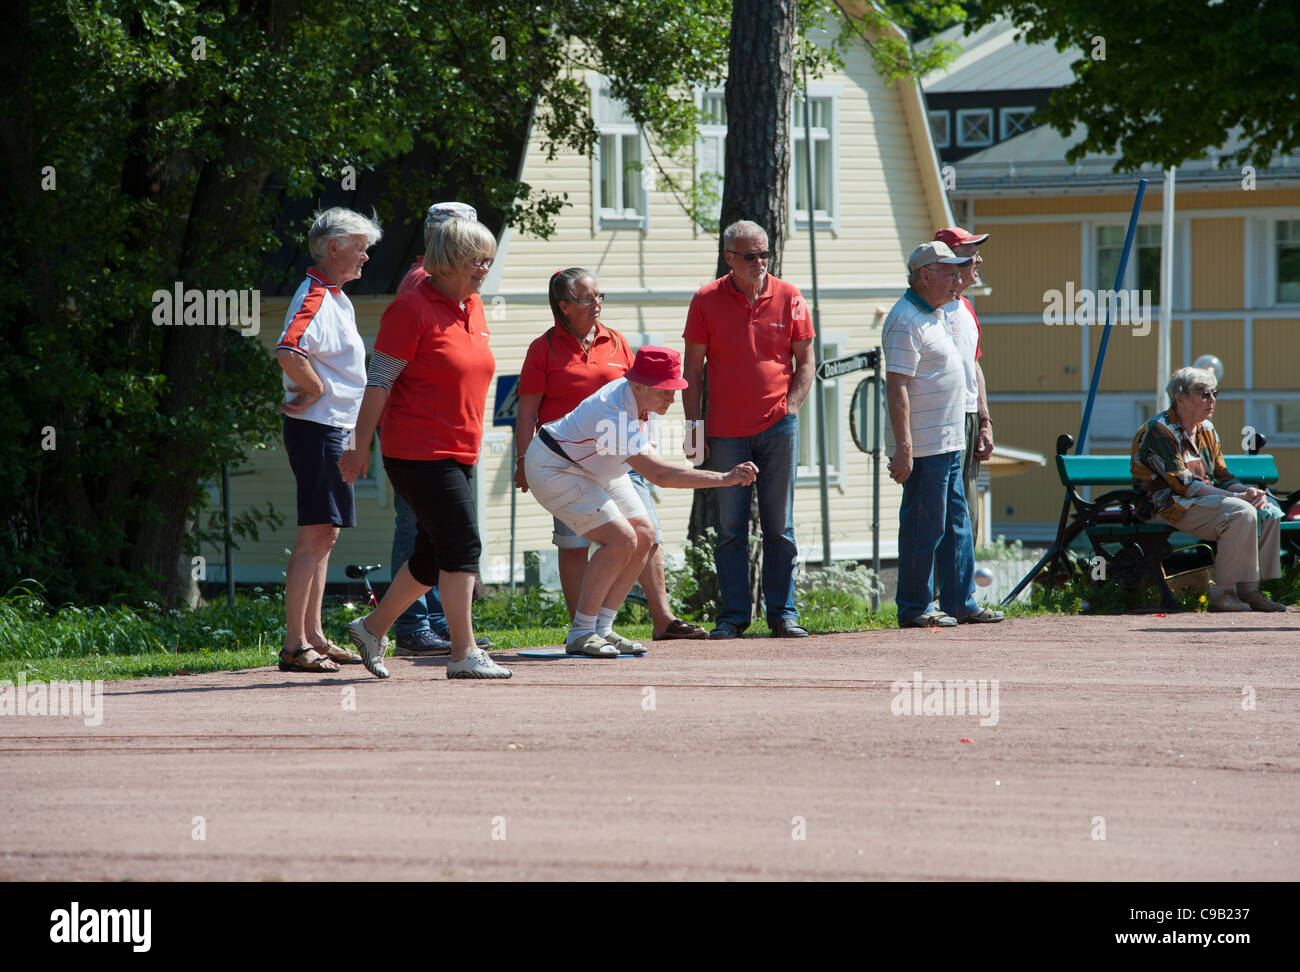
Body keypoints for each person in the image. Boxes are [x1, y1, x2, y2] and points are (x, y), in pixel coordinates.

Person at [338, 217, 511, 678]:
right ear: (451, 259)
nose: (485, 270)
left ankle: (371, 628)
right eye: (478, 260)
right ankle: (463, 652)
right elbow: (378, 382)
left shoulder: (471, 306)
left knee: (432, 556)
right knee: (462, 545)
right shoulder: (410, 308)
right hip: (417, 450)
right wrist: (359, 450)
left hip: (460, 448)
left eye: (489, 261)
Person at [524, 346, 758, 656]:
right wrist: (723, 478)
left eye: (674, 390)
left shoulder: (644, 403)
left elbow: (650, 464)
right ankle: (581, 632)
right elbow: (660, 474)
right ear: (639, 386)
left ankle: (602, 629)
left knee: (644, 534)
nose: (672, 398)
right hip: (555, 467)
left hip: (596, 467)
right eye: (665, 391)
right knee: (620, 539)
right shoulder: (614, 413)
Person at [514, 268, 708, 641]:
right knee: (576, 544)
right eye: (587, 298)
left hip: (623, 456)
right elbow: (527, 413)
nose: (596, 305)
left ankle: (657, 619)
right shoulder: (545, 348)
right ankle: (583, 628)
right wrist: (523, 459)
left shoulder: (615, 340)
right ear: (564, 306)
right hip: (565, 459)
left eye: (599, 296)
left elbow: (646, 389)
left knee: (644, 533)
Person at [682, 220, 816, 640]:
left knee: (780, 528)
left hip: (779, 428)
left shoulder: (790, 296)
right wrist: (693, 428)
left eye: (765, 254)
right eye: (750, 256)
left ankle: (783, 614)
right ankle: (734, 617)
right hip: (725, 434)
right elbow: (692, 371)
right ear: (729, 259)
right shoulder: (705, 299)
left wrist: (790, 410)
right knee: (730, 530)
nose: (760, 262)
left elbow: (806, 363)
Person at [274, 207, 381, 672]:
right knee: (314, 534)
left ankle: (313, 635)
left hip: (335, 429)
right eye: (360, 247)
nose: (366, 257)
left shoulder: (337, 295)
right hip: (318, 430)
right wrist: (315, 389)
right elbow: (288, 348)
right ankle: (295, 645)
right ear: (333, 246)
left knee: (326, 534)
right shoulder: (315, 295)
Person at [388, 201, 490, 657]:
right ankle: (415, 626)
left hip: (455, 440)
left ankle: (405, 625)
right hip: (422, 443)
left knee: (435, 543)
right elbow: (383, 373)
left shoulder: (466, 291)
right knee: (424, 532)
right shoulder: (420, 285)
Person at [884, 241, 1003, 628]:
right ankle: (915, 606)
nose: (957, 278)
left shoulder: (936, 313)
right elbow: (896, 386)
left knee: (956, 522)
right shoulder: (905, 319)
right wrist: (904, 448)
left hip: (951, 438)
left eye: (958, 271)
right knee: (924, 522)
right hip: (925, 442)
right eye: (949, 272)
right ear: (924, 276)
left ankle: (959, 601)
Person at [1131, 367, 1286, 612]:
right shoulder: (1159, 431)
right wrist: (1237, 497)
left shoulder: (1207, 429)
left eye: (1214, 393)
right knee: (1241, 512)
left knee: (1268, 509)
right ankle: (1222, 593)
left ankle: (1250, 591)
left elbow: (1222, 477)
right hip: (1166, 505)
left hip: (1202, 502)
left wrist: (1249, 493)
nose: (1212, 400)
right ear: (1180, 398)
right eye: (1204, 394)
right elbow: (1183, 485)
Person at [933, 227, 994, 543]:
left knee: (968, 512)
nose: (979, 260)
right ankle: (938, 591)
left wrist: (985, 421)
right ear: (951, 261)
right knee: (944, 511)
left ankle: (959, 591)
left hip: (969, 418)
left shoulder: (967, 307)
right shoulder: (930, 310)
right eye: (972, 255)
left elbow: (974, 364)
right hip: (942, 422)